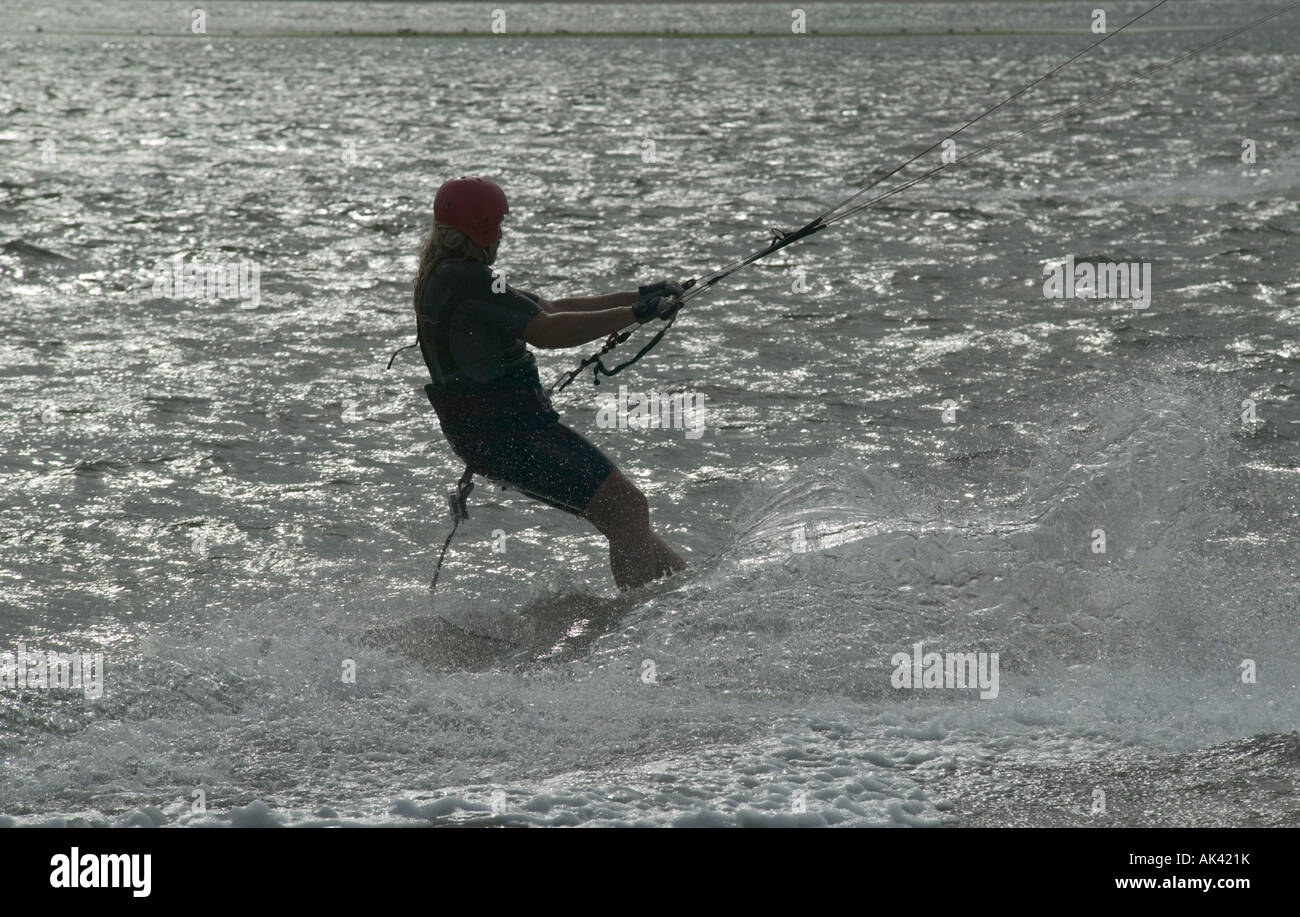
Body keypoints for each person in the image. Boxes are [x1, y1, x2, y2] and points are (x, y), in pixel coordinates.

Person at [413, 176, 687, 590]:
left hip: (494, 436)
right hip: (508, 436)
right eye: (499, 224)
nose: (502, 234)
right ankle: (640, 629)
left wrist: (637, 297)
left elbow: (552, 307)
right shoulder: (466, 279)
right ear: (484, 227)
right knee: (628, 509)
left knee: (624, 515)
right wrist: (635, 314)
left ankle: (684, 596)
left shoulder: (452, 276)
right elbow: (547, 331)